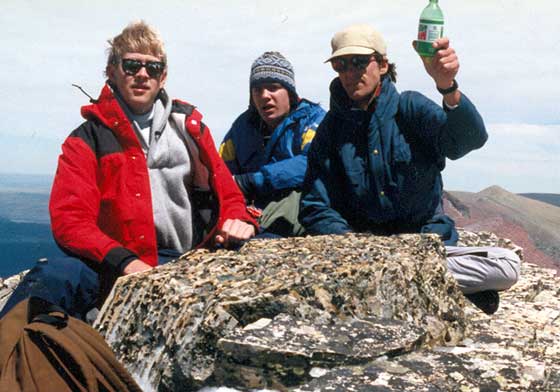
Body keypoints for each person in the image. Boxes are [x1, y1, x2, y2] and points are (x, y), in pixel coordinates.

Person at [0, 21, 257, 320]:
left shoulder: (191, 128)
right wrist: (124, 261)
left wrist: (238, 219)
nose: (142, 75)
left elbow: (228, 194)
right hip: (117, 263)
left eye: (153, 68)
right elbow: (70, 220)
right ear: (112, 71)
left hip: (191, 257)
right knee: (54, 276)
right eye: (132, 65)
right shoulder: (87, 139)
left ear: (163, 77)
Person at [299, 24, 520, 314]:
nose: (350, 73)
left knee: (505, 265)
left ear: (382, 64)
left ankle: (400, 285)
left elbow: (467, 141)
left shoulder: (410, 108)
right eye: (341, 65)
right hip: (364, 255)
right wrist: (351, 244)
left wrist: (448, 87)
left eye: (359, 62)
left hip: (424, 248)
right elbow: (316, 204)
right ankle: (432, 287)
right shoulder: (330, 131)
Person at [219, 52, 326, 236]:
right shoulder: (241, 128)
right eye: (257, 89)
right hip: (251, 206)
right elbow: (221, 168)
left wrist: (253, 181)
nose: (264, 96)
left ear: (290, 93)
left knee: (296, 195)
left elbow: (312, 161)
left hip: (296, 207)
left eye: (273, 88)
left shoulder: (313, 119)